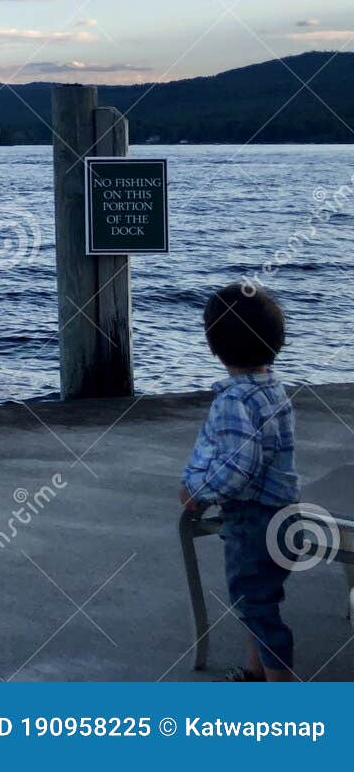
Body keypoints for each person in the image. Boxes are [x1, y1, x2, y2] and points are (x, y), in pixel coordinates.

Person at [180, 285, 300, 681]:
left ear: (215, 345)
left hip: (253, 518)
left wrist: (199, 491)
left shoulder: (234, 401)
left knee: (256, 605)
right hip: (283, 511)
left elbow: (237, 470)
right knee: (258, 598)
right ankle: (255, 671)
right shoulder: (274, 390)